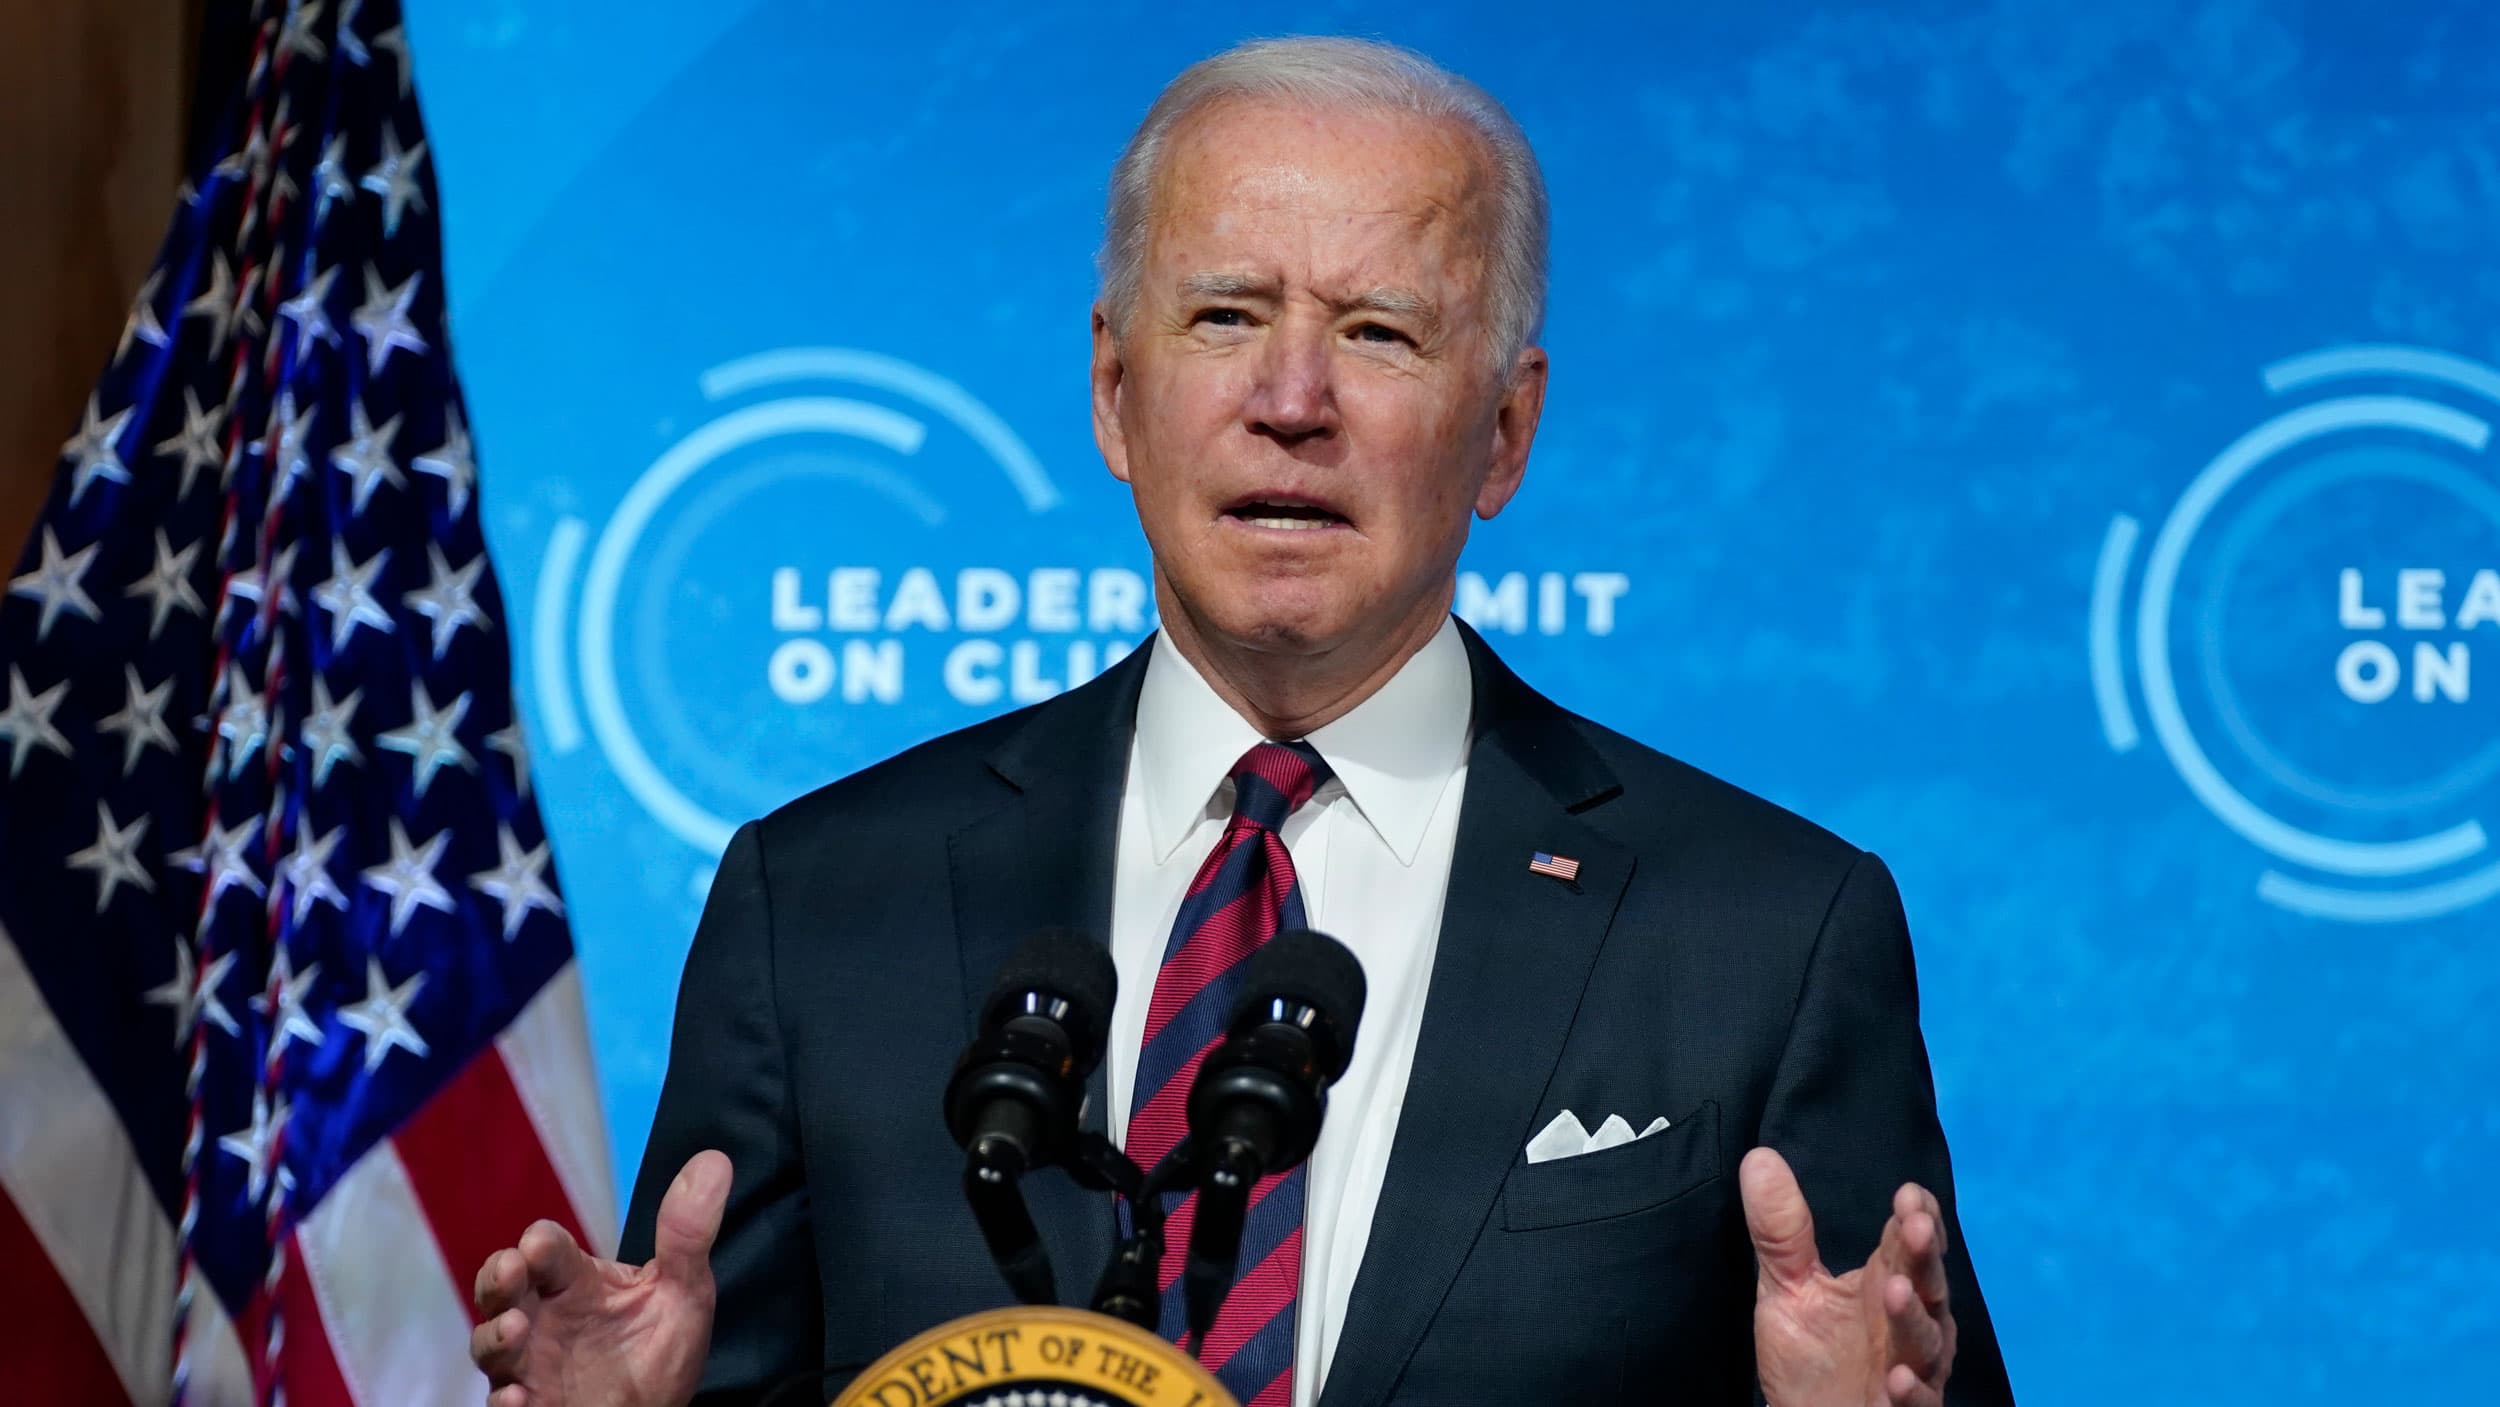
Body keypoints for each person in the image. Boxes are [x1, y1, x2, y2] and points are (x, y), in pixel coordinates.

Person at [472, 36, 2014, 1407]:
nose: (1292, 399)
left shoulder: (1766, 931)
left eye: (1380, 333)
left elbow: (1884, 1359)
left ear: (1507, 430)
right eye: (1224, 316)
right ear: (1112, 390)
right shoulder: (821, 906)